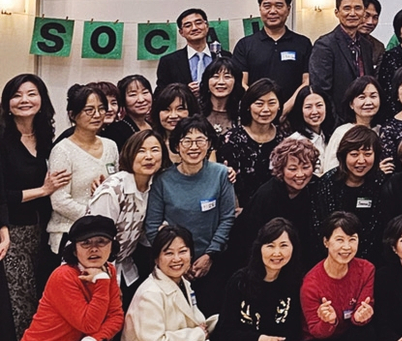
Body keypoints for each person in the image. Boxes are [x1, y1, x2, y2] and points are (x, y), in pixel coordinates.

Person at [213, 218, 304, 341]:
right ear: (259, 248)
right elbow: (225, 332)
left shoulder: (294, 282)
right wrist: (260, 340)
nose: (277, 253)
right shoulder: (239, 281)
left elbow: (294, 328)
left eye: (283, 245)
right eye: (270, 245)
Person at [145, 117, 236, 314]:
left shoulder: (221, 174)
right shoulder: (163, 180)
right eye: (187, 141)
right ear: (177, 145)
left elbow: (227, 218)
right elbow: (152, 227)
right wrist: (176, 262)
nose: (194, 147)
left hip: (213, 261)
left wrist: (210, 255)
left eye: (200, 140)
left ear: (209, 144)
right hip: (172, 266)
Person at [2, 74, 61, 341]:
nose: (24, 100)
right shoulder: (3, 139)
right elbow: (3, 195)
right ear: (7, 103)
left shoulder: (46, 136)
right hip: (11, 232)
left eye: (31, 93)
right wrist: (42, 191)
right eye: (16, 95)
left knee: (39, 296)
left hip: (42, 231)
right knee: (19, 302)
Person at [300, 211, 376, 341]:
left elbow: (362, 309)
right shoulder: (311, 283)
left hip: (347, 331)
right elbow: (314, 330)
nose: (346, 247)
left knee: (367, 334)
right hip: (317, 340)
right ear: (326, 242)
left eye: (352, 239)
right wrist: (328, 321)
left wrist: (362, 317)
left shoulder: (366, 269)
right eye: (339, 240)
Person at [86, 130, 165, 295]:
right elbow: (95, 240)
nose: (149, 157)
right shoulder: (113, 190)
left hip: (126, 267)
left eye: (155, 150)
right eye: (141, 151)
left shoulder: (156, 186)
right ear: (129, 154)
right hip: (93, 268)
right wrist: (105, 280)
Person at [48, 85, 120, 253]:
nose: (97, 115)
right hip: (70, 233)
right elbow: (59, 201)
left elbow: (116, 184)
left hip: (103, 234)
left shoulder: (111, 146)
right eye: (89, 110)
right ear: (73, 114)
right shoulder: (63, 150)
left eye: (101, 109)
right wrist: (94, 217)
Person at [235, 135, 321, 271]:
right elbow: (249, 241)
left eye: (306, 167)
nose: (300, 174)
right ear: (281, 169)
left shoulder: (317, 187)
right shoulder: (266, 196)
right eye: (292, 169)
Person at [233, 0, 313, 114]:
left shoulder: (303, 43)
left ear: (288, 9)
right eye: (267, 6)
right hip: (257, 115)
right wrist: (263, 106)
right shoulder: (245, 45)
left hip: (294, 115)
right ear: (260, 9)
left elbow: (307, 81)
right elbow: (241, 82)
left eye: (279, 6)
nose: (272, 11)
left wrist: (285, 109)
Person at [313, 125, 386, 261]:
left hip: (372, 258)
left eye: (367, 154)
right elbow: (321, 226)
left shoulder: (381, 182)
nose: (361, 160)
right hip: (333, 255)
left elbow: (380, 228)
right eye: (354, 154)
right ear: (343, 155)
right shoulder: (328, 182)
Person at [309, 0, 378, 109]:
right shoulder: (324, 45)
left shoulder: (366, 45)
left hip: (364, 112)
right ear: (337, 12)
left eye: (357, 8)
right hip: (337, 115)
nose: (352, 13)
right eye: (347, 8)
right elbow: (321, 90)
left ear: (363, 13)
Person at [218, 78, 283, 208]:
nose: (266, 109)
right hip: (239, 210)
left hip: (276, 210)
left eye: (271, 103)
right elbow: (225, 181)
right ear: (248, 106)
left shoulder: (284, 140)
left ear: (279, 106)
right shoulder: (231, 139)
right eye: (259, 104)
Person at [155, 7, 231, 95]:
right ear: (181, 32)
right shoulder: (168, 61)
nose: (194, 28)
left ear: (207, 26)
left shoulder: (225, 56)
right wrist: (183, 92)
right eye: (188, 26)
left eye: (198, 23)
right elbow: (160, 93)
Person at [320, 76, 383, 174]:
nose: (368, 102)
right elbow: (330, 171)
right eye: (362, 97)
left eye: (373, 96)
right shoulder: (342, 133)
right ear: (351, 104)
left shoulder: (382, 131)